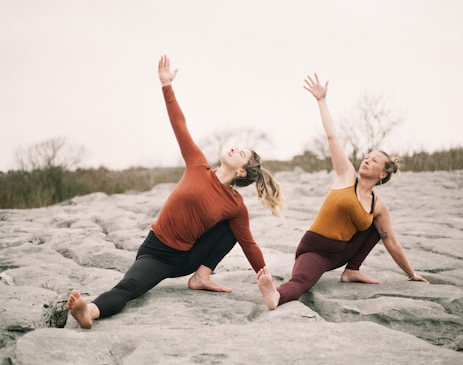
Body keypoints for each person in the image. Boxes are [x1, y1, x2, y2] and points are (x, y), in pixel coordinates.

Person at [68, 55, 285, 328]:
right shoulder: (198, 164)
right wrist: (167, 86)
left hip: (186, 257)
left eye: (240, 152)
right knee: (130, 287)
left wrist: (265, 278)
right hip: (156, 253)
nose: (233, 148)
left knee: (233, 228)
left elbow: (248, 243)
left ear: (242, 172)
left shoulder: (235, 204)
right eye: (236, 147)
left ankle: (201, 277)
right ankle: (89, 311)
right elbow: (179, 125)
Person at [257, 73, 428, 310]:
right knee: (303, 282)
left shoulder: (377, 205)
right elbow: (332, 137)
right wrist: (321, 100)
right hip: (315, 249)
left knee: (377, 228)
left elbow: (392, 242)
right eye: (367, 157)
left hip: (339, 254)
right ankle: (276, 295)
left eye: (374, 161)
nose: (367, 160)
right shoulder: (346, 176)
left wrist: (411, 274)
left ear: (383, 174)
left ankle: (352, 271)